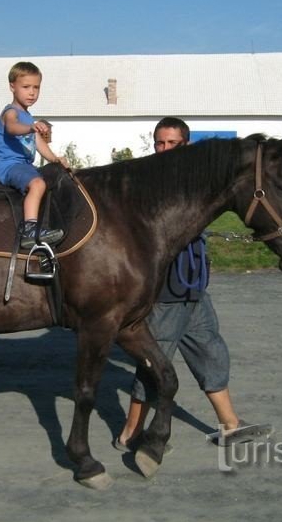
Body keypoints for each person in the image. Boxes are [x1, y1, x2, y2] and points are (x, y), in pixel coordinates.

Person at [115, 117, 272, 451]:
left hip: (193, 286)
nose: (165, 149)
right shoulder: (148, 182)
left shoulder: (194, 182)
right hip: (164, 289)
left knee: (211, 351)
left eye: (172, 143)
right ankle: (130, 433)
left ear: (186, 145)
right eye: (160, 143)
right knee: (154, 361)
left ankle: (230, 425)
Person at [0, 61, 69, 249]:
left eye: (36, 87)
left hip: (23, 165)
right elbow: (12, 127)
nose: (32, 92)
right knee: (37, 184)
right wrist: (31, 127)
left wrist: (55, 159)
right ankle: (30, 231)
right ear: (12, 87)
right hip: (8, 164)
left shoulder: (28, 116)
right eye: (26, 87)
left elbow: (38, 143)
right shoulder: (11, 112)